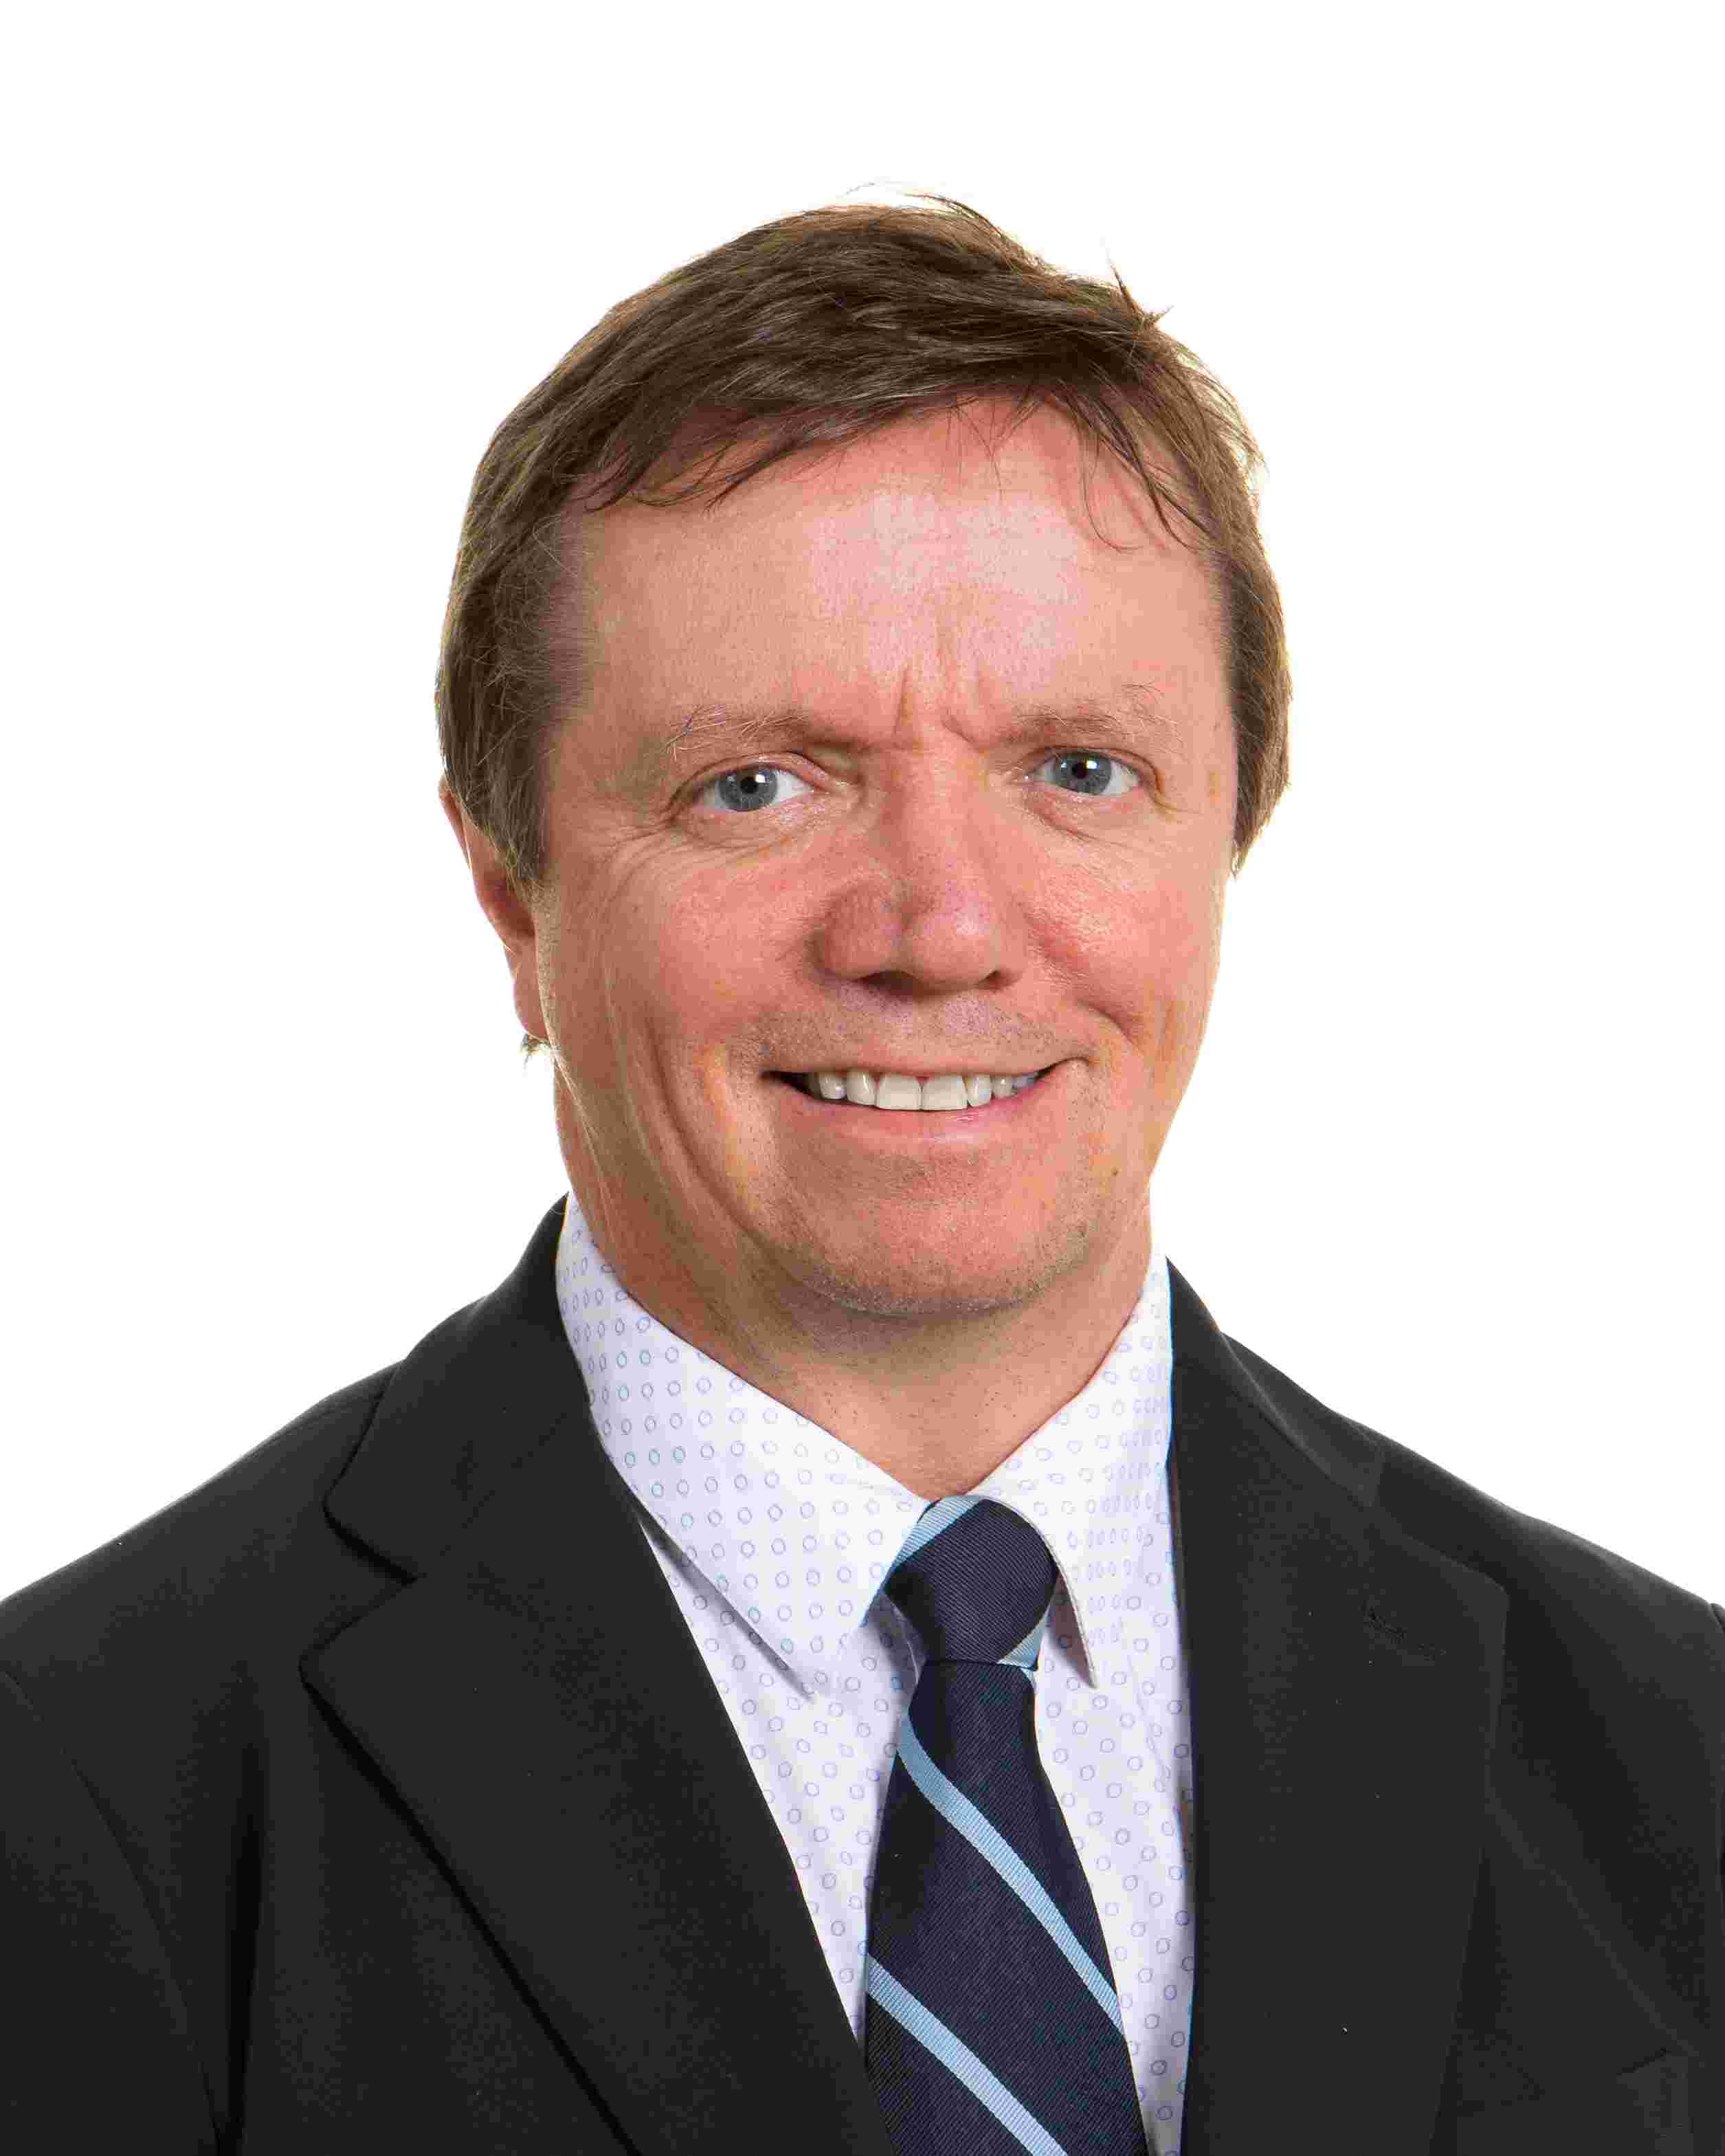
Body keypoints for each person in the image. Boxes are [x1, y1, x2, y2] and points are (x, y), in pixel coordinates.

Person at [3, 192, 1721, 2156]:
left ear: (1232, 832)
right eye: (757, 785)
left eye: (1078, 771)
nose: (940, 928)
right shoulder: (78, 1799)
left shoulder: (1670, 1755)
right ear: (510, 895)